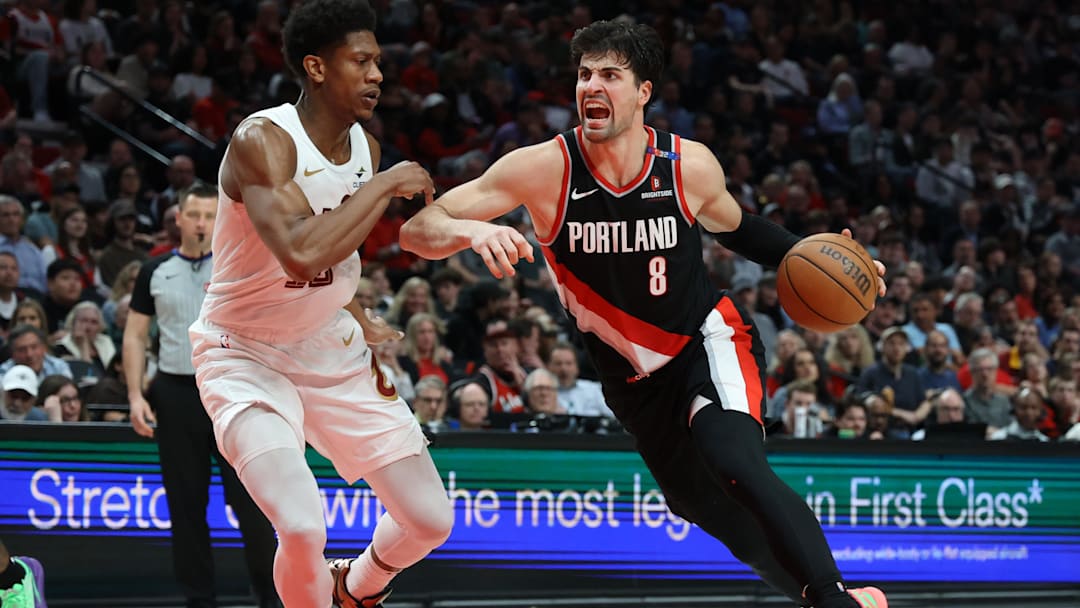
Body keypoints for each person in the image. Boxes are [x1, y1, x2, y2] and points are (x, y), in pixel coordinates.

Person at [401, 20, 888, 608]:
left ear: (643, 92)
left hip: (705, 339)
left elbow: (741, 230)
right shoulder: (542, 169)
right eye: (584, 75)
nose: (591, 86)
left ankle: (836, 600)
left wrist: (840, 265)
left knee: (734, 461)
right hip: (631, 380)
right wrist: (468, 227)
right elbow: (416, 231)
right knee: (708, 510)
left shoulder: (687, 165)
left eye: (610, 74)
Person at [188, 2, 451, 608]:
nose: (378, 75)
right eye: (361, 61)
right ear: (316, 67)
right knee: (305, 527)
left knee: (431, 519)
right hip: (244, 353)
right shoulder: (264, 140)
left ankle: (353, 590)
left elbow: (333, 250)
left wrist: (353, 309)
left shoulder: (367, 148)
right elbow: (301, 256)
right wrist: (384, 187)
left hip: (327, 346)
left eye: (379, 62)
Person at [124, 184, 280, 608]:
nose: (201, 224)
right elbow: (136, 334)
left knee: (252, 502)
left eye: (210, 216)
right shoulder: (153, 271)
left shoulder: (242, 264)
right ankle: (199, 599)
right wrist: (136, 395)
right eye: (194, 215)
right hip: (175, 392)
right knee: (186, 504)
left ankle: (271, 595)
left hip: (233, 391)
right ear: (178, 218)